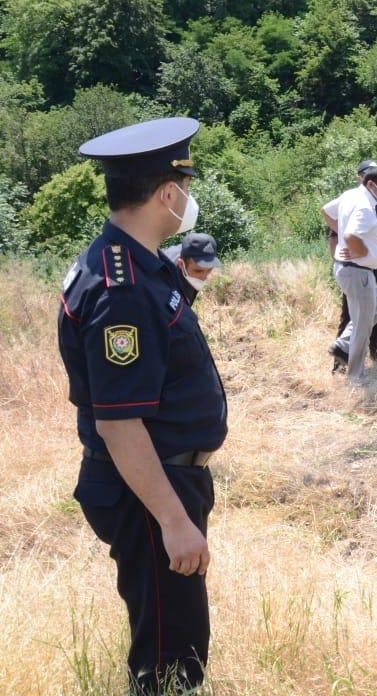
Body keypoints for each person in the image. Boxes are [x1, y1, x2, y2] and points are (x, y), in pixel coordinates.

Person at [57, 116, 227, 695]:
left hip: (163, 482)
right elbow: (120, 423)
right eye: (184, 185)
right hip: (151, 493)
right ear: (166, 193)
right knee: (167, 660)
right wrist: (174, 523)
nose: (187, 198)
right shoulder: (122, 289)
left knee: (172, 638)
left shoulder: (136, 265)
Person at [324, 160, 377, 361]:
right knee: (351, 313)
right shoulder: (353, 201)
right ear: (362, 178)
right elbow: (337, 235)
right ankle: (343, 361)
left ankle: (373, 351)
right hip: (356, 268)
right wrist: (347, 253)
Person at [162, 231, 222, 308]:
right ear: (181, 264)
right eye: (198, 271)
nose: (205, 277)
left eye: (210, 269)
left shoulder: (192, 262)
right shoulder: (164, 280)